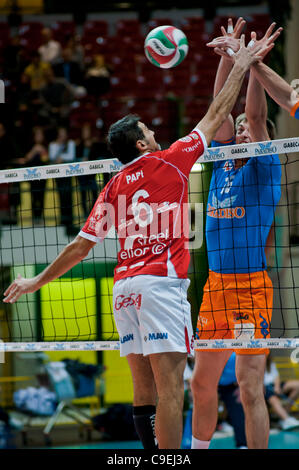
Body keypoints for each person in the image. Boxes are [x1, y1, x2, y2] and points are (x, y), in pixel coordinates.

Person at [3, 38, 270, 449]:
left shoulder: (111, 187)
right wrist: (244, 63)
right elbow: (218, 111)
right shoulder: (172, 160)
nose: (156, 131)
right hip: (159, 286)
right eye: (149, 130)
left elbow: (80, 247)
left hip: (124, 290)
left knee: (143, 391)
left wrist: (36, 281)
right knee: (169, 390)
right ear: (142, 145)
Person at [191, 19, 282, 450]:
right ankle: (198, 451)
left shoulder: (266, 165)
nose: (241, 129)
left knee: (249, 390)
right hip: (215, 290)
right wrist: (229, 58)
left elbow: (256, 116)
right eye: (239, 129)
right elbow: (218, 112)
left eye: (248, 130)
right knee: (200, 386)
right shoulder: (223, 162)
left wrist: (252, 64)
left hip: (250, 292)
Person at [49, 127, 76, 235]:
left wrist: (61, 158)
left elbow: (71, 156)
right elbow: (52, 157)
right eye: (60, 133)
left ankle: (70, 220)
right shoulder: (53, 145)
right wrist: (60, 148)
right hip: (58, 174)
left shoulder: (70, 144)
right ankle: (63, 219)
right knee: (60, 196)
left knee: (69, 196)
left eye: (64, 133)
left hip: (68, 173)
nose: (62, 135)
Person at [218, 353, 247, 448]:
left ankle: (242, 444)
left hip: (233, 385)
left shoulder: (240, 346)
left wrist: (241, 384)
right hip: (212, 382)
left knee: (238, 411)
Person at [264, 356, 299, 430]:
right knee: (273, 398)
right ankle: (286, 419)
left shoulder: (270, 363)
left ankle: (285, 414)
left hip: (274, 385)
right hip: (264, 388)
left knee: (297, 385)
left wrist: (277, 387)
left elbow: (276, 376)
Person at [24, 127, 49, 224]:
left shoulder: (45, 146)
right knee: (33, 196)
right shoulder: (30, 146)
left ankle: (40, 216)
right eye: (37, 134)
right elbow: (26, 159)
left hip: (43, 177)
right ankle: (34, 217)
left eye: (40, 134)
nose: (39, 136)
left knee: (42, 196)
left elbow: (46, 159)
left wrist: (42, 151)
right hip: (32, 176)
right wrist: (34, 150)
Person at [76, 123, 100, 218]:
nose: (86, 133)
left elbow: (97, 158)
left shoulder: (94, 145)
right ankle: (85, 214)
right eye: (84, 131)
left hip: (92, 175)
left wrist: (90, 148)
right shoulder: (79, 145)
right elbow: (76, 158)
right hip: (82, 175)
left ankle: (92, 212)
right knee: (83, 194)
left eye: (87, 131)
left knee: (95, 193)